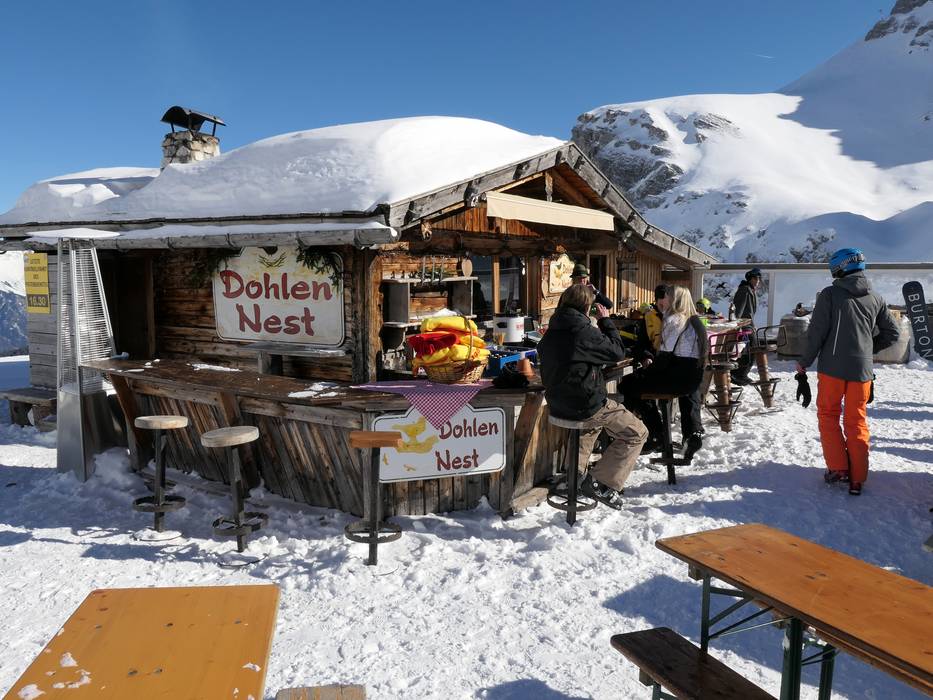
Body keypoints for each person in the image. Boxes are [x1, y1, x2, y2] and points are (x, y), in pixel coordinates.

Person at [795, 248, 899, 496]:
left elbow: (817, 332)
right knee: (856, 421)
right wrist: (867, 349)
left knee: (828, 415)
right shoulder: (876, 298)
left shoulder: (830, 294)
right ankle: (858, 478)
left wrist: (804, 362)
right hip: (862, 372)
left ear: (840, 267)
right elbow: (892, 333)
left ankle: (838, 468)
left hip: (832, 369)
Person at [538, 284, 648, 508]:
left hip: (557, 404)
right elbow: (617, 352)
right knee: (637, 432)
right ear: (587, 306)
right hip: (585, 404)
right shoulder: (582, 330)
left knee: (591, 425)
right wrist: (606, 321)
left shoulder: (553, 329)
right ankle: (601, 483)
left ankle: (574, 476)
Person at [622, 285, 708, 461]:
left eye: (667, 297)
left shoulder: (673, 320)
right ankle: (692, 434)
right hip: (693, 377)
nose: (664, 300)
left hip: (677, 377)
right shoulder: (695, 321)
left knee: (628, 385)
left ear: (674, 300)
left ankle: (656, 434)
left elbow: (664, 357)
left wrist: (649, 370)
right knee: (686, 394)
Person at [731, 268, 762, 385]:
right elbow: (738, 310)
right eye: (755, 278)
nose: (757, 281)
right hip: (744, 326)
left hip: (749, 325)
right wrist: (738, 326)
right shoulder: (744, 290)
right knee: (751, 348)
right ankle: (739, 374)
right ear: (750, 279)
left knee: (751, 349)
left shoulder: (750, 290)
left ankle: (740, 373)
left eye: (758, 279)